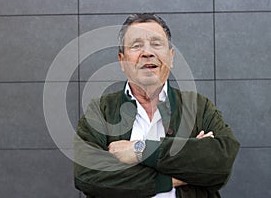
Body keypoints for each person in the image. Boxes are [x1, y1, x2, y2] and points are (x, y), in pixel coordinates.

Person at [73, 13, 240, 198]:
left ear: (171, 56)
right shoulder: (100, 111)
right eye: (136, 46)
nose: (147, 52)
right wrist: (176, 175)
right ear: (122, 60)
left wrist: (140, 150)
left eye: (156, 44)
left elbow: (220, 163)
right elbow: (87, 176)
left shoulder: (199, 107)